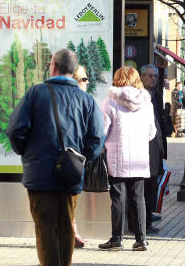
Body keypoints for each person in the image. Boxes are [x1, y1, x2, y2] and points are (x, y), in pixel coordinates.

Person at [7, 49, 105, 266]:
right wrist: (81, 159)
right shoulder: (86, 100)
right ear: (74, 71)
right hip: (70, 174)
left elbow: (16, 130)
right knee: (65, 226)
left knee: (45, 227)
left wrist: (27, 152)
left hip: (39, 173)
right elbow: (96, 139)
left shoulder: (36, 94)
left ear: (53, 67)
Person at [98, 67, 156, 252]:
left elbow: (102, 130)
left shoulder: (110, 101)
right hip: (139, 158)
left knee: (118, 197)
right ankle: (141, 240)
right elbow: (151, 132)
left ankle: (117, 239)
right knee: (138, 198)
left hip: (118, 156)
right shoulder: (146, 102)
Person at [140, 64, 171, 235]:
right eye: (150, 75)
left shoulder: (156, 95)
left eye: (155, 76)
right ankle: (142, 222)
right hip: (145, 147)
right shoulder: (140, 96)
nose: (153, 78)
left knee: (152, 185)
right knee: (144, 186)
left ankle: (149, 218)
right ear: (142, 77)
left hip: (157, 147)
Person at [71, 65, 90, 248]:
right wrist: (89, 155)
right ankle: (72, 232)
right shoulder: (84, 100)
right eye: (84, 79)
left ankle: (71, 230)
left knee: (70, 198)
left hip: (74, 157)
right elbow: (96, 133)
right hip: (75, 157)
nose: (87, 82)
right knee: (70, 197)